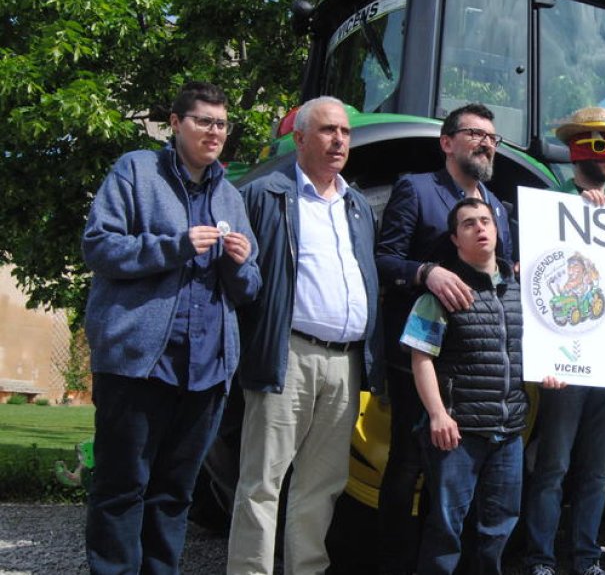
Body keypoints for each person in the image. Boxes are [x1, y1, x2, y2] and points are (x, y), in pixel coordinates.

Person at [81, 81, 261, 575]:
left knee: (174, 493)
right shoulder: (136, 170)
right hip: (140, 362)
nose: (214, 131)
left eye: (221, 124)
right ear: (177, 123)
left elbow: (248, 288)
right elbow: (98, 246)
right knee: (122, 487)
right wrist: (175, 244)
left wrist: (240, 264)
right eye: (203, 121)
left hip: (205, 370)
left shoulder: (230, 196)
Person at [227, 96, 384, 575]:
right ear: (299, 138)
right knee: (263, 481)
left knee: (323, 483)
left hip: (344, 362)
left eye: (345, 132)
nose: (339, 140)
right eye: (327, 131)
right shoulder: (266, 195)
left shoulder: (357, 205)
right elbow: (245, 279)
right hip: (288, 353)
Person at [375, 103, 513, 573]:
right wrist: (425, 272)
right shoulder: (416, 189)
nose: (486, 142)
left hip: (476, 374)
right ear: (447, 142)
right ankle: (393, 563)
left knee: (469, 493)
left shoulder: (498, 208)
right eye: (475, 133)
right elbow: (383, 259)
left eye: (492, 136)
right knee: (408, 468)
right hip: (422, 359)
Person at [403, 197, 565, 574]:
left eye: (486, 221)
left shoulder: (523, 292)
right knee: (446, 530)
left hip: (509, 433)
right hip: (458, 434)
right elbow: (420, 356)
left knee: (499, 529)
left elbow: (540, 348)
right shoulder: (442, 294)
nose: (480, 228)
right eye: (469, 224)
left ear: (497, 230)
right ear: (456, 239)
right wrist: (438, 415)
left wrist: (551, 370)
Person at [523, 106, 605, 575]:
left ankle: (587, 559)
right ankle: (539, 558)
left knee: (598, 470)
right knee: (554, 466)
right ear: (575, 151)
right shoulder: (548, 204)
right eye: (597, 143)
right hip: (566, 363)